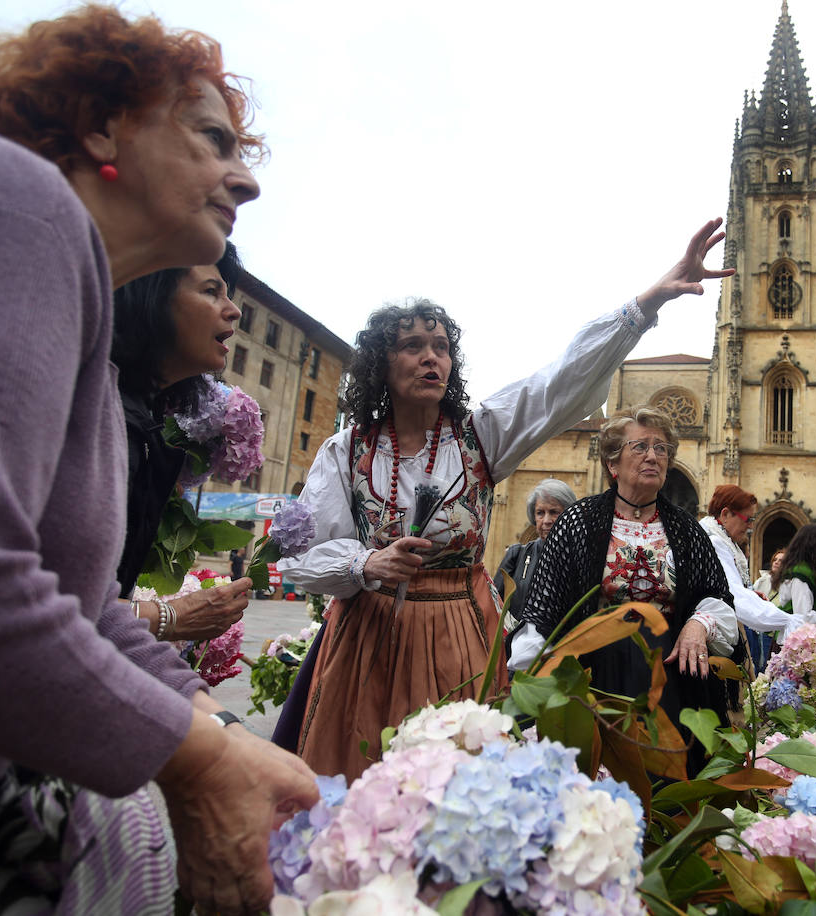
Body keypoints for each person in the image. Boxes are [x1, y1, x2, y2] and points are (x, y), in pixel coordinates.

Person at [0, 7, 318, 914]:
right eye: (212, 140)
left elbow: (80, 609)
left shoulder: (87, 326)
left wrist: (222, 736)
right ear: (102, 125)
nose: (247, 181)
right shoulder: (10, 194)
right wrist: (196, 762)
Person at [275, 220, 734, 778]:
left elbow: (557, 384)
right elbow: (298, 555)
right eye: (413, 347)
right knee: (363, 782)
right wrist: (366, 562)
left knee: (464, 783)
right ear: (380, 362)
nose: (432, 359)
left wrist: (647, 302)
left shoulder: (479, 435)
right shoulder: (346, 451)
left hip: (461, 637)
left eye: (441, 348)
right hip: (370, 641)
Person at [509, 408, 738, 776]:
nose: (653, 456)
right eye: (641, 446)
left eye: (662, 449)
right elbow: (544, 605)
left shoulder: (686, 529)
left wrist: (700, 624)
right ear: (613, 462)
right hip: (596, 672)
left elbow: (716, 596)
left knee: (666, 782)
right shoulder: (579, 522)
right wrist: (539, 676)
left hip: (667, 674)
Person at [112, 243, 252, 639]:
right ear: (150, 298)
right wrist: (169, 618)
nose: (233, 310)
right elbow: (51, 605)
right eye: (211, 291)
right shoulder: (102, 417)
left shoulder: (141, 419)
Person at [701, 485, 802, 675]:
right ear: (725, 514)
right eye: (748, 519)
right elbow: (734, 596)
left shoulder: (720, 540)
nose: (751, 526)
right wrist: (787, 620)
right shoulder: (714, 543)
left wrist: (750, 594)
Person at [493, 477, 578, 628]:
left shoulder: (580, 556)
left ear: (569, 515)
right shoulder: (516, 555)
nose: (546, 520)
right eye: (540, 513)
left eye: (554, 512)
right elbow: (493, 604)